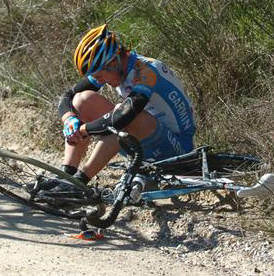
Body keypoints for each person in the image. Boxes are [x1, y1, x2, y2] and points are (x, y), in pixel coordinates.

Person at [41, 24, 196, 195]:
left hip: (178, 150)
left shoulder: (147, 71)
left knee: (126, 116)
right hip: (149, 139)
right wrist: (69, 118)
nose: (102, 81)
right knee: (81, 100)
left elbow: (124, 116)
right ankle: (66, 175)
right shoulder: (116, 68)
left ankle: (80, 183)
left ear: (113, 62)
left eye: (100, 76)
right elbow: (68, 96)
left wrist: (83, 129)